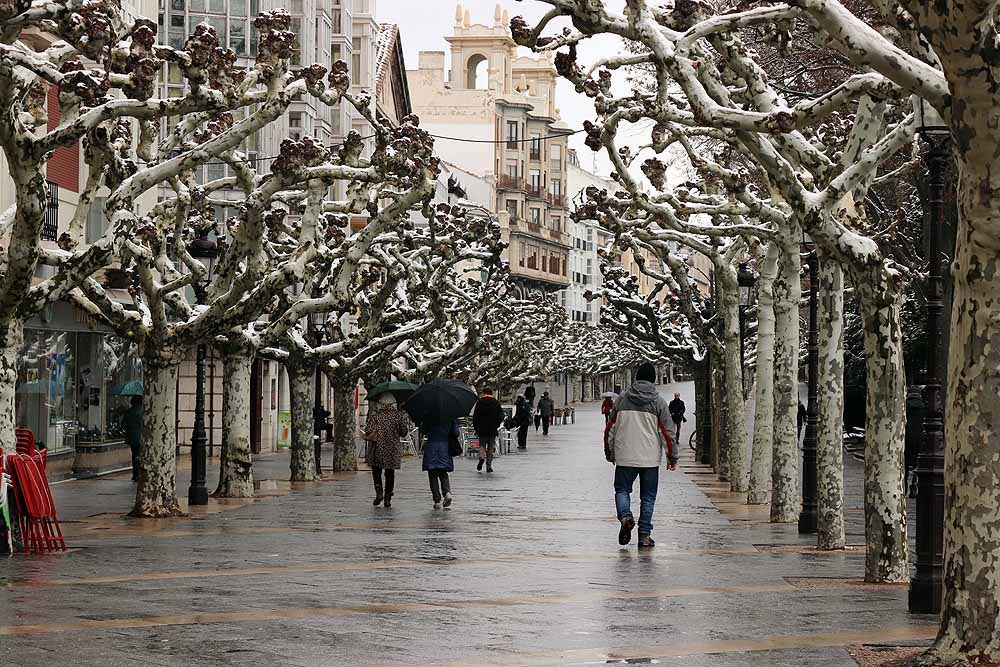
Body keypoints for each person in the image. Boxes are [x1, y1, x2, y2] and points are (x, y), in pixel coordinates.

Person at [604, 362, 677, 549]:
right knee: (648, 496)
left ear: (636, 378)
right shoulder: (658, 402)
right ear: (653, 379)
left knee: (622, 490)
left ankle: (625, 516)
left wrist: (609, 451)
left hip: (625, 455)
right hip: (650, 459)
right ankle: (644, 536)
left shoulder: (621, 400)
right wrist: (672, 457)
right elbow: (667, 433)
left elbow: (610, 429)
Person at [363, 393, 409, 508]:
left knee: (376, 471)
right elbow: (404, 432)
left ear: (380, 403)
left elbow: (368, 430)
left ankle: (379, 492)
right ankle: (388, 497)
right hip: (392, 448)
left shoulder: (375, 415)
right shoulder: (398, 416)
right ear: (393, 403)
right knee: (390, 473)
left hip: (378, 447)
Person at [422, 418, 459, 509]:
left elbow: (423, 430)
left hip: (431, 447)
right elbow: (456, 432)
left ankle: (437, 500)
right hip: (444, 447)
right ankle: (447, 492)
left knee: (432, 475)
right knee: (443, 473)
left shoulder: (429, 415)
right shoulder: (450, 415)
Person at [473, 388, 504, 473]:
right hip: (492, 429)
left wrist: (476, 428)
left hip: (481, 429)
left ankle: (482, 457)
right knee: (490, 447)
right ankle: (489, 465)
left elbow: (475, 417)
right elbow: (501, 416)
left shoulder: (480, 402)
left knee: (482, 445)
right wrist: (496, 424)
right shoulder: (496, 403)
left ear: (484, 393)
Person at [905, 386, 925, 498]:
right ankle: (914, 485)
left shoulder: (904, 406)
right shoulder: (924, 407)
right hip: (919, 440)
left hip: (906, 439)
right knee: (918, 465)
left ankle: (904, 486)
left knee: (905, 465)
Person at [123, 396, 143, 481]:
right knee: (139, 455)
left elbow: (123, 425)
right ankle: (138, 473)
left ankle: (135, 474)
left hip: (131, 437)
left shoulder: (129, 412)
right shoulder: (142, 412)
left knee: (134, 454)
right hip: (141, 436)